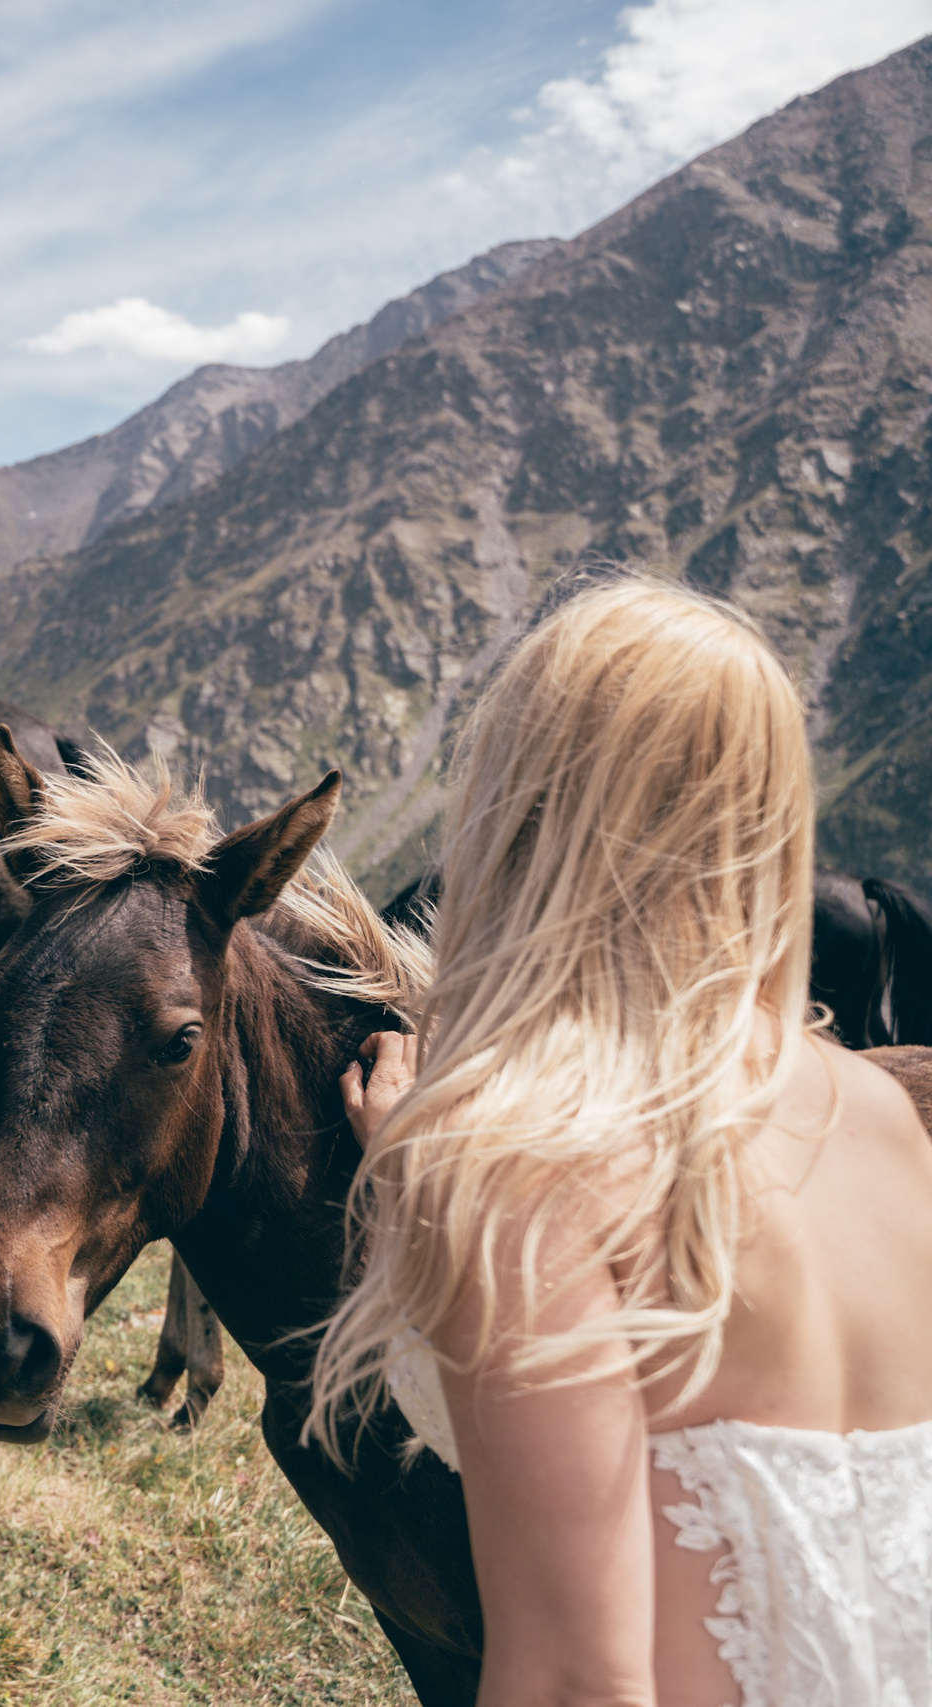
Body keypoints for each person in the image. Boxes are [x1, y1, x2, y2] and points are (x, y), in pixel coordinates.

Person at [309, 580, 932, 1705]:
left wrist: (431, 1177)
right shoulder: (883, 1120)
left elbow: (571, 1679)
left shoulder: (519, 1163)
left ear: (518, 807)